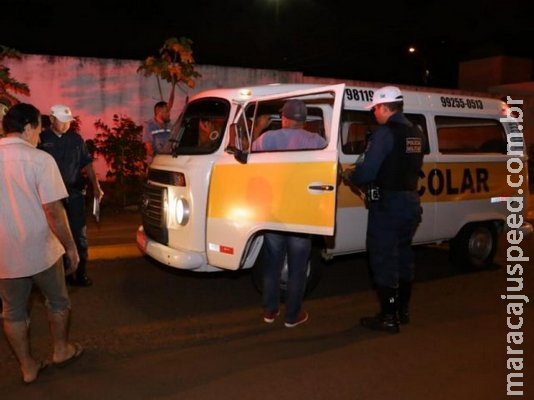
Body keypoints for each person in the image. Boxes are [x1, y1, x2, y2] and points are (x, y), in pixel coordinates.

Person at [0, 103, 84, 384]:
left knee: (12, 312)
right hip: (41, 250)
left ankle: (27, 367)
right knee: (58, 301)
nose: (40, 133)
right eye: (38, 127)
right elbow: (54, 211)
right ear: (26, 128)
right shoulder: (39, 160)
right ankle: (60, 350)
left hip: (5, 253)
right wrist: (71, 247)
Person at [343, 86, 424, 334]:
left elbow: (368, 170)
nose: (374, 113)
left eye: (375, 109)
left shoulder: (385, 133)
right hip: (410, 202)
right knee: (403, 256)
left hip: (388, 205)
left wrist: (350, 175)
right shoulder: (415, 131)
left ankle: (389, 317)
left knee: (384, 259)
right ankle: (402, 311)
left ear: (385, 107)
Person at [252, 99, 327, 328]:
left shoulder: (267, 139)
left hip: (274, 213)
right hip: (303, 216)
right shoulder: (317, 141)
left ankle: (269, 311)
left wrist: (258, 128)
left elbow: (245, 159)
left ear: (284, 118)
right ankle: (292, 316)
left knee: (272, 265)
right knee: (297, 268)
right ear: (304, 121)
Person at [39, 104, 104, 287]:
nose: (67, 125)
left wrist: (96, 186)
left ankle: (81, 273)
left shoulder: (76, 139)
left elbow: (88, 164)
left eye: (69, 121)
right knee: (54, 235)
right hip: (52, 197)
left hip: (74, 194)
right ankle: (63, 274)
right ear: (51, 119)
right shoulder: (41, 139)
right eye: (63, 121)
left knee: (79, 234)